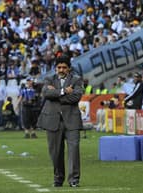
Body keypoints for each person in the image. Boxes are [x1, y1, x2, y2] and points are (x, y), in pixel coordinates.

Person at [37, 55, 83, 188]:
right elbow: (46, 93)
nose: (61, 70)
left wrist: (56, 95)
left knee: (74, 150)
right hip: (52, 120)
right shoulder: (49, 78)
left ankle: (74, 179)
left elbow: (76, 97)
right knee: (55, 152)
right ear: (55, 68)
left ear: (69, 68)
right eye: (59, 67)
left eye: (64, 67)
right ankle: (58, 178)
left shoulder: (76, 79)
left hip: (72, 120)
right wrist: (63, 91)